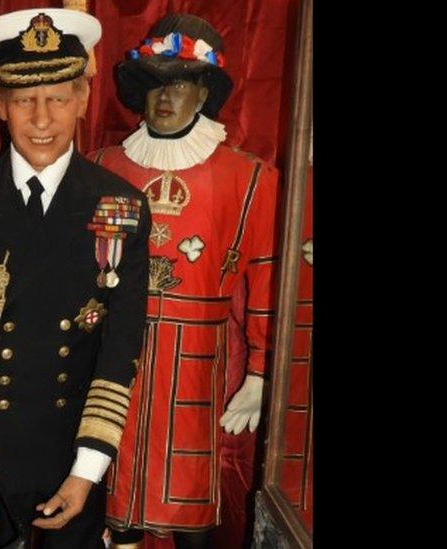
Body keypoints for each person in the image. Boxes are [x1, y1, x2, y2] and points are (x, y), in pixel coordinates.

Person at [0, 9, 149, 548]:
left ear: (82, 100)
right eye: (25, 100)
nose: (42, 118)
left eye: (58, 97)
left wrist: (88, 469)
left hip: (70, 451)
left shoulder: (120, 205)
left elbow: (121, 347)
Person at [87, 14, 281, 549]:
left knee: (191, 494)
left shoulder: (252, 179)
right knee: (112, 487)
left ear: (204, 92)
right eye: (153, 84)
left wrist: (262, 373)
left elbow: (266, 278)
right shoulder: (102, 166)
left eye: (179, 82)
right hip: (114, 353)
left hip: (199, 360)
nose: (164, 96)